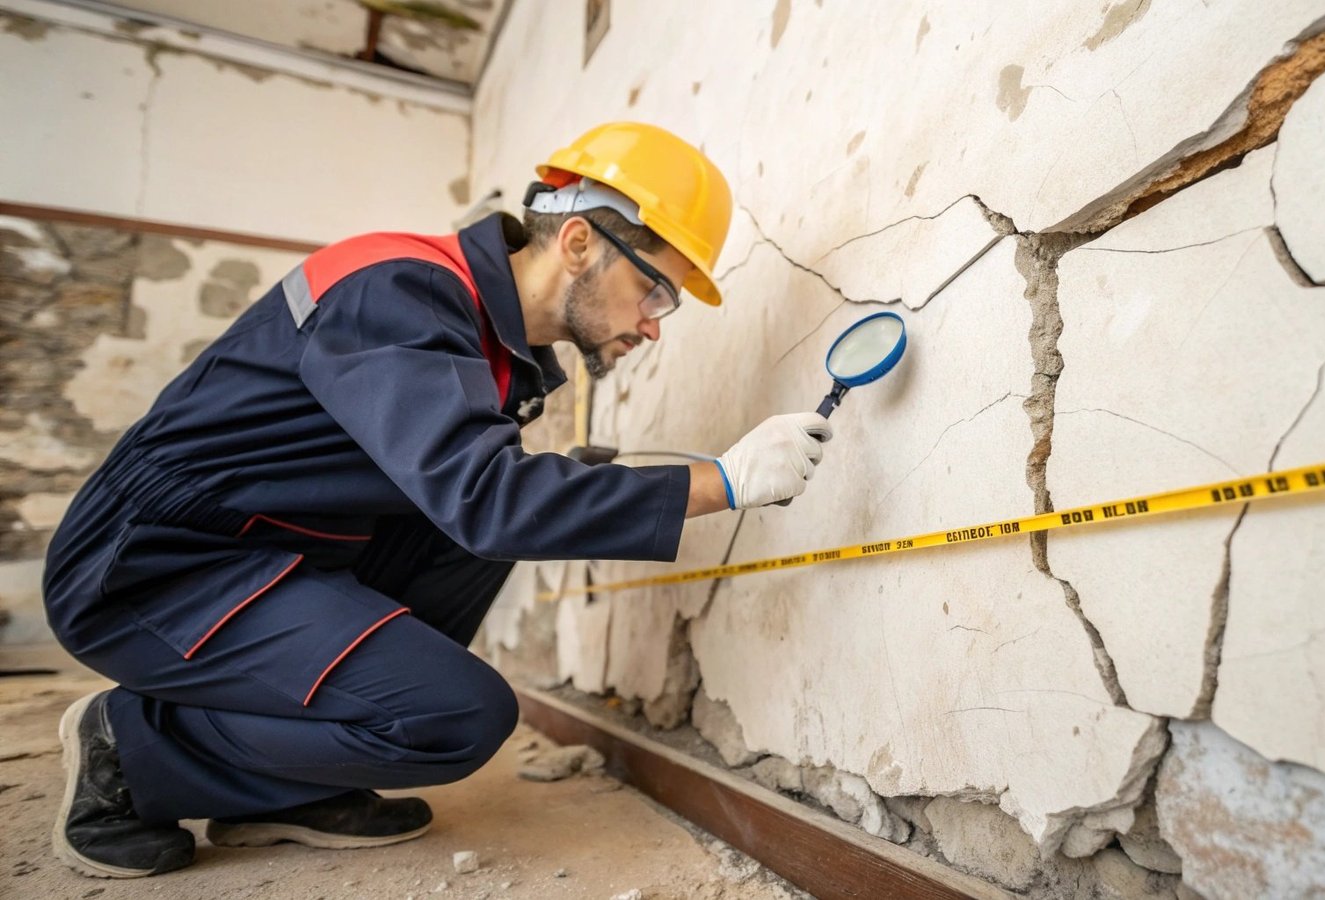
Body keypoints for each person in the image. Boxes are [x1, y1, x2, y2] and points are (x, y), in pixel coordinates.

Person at [42, 122, 830, 878]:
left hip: (268, 555)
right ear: (581, 242)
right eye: (655, 291)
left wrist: (575, 485)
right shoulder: (397, 287)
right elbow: (488, 497)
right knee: (458, 718)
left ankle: (284, 790)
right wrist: (721, 482)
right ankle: (131, 749)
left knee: (478, 532)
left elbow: (477, 505)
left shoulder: (488, 344)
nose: (655, 326)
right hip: (154, 565)